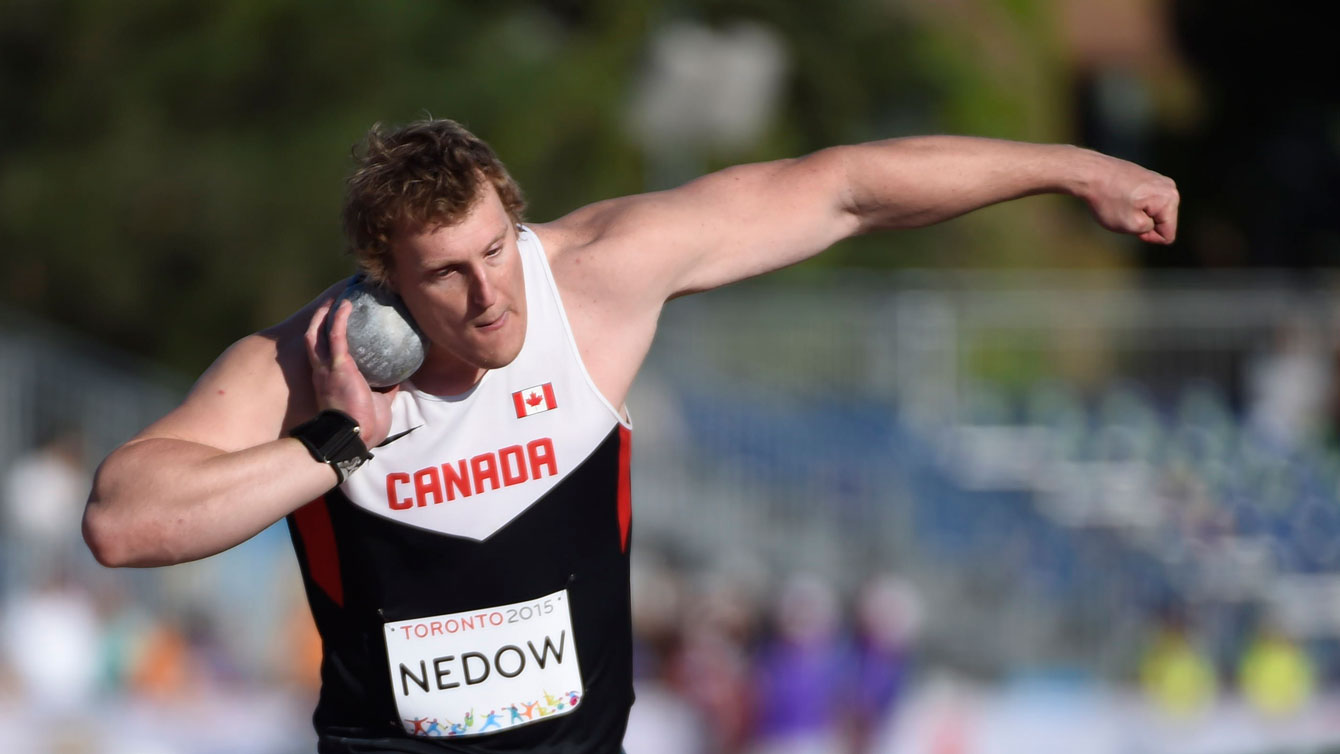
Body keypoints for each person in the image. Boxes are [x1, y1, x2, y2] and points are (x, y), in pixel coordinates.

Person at [83, 118, 1179, 752]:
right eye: (444, 275)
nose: (489, 296)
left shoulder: (596, 282)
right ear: (384, 280)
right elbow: (124, 522)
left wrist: (1071, 166)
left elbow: (841, 190)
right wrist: (327, 445)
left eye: (495, 248)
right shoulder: (300, 367)